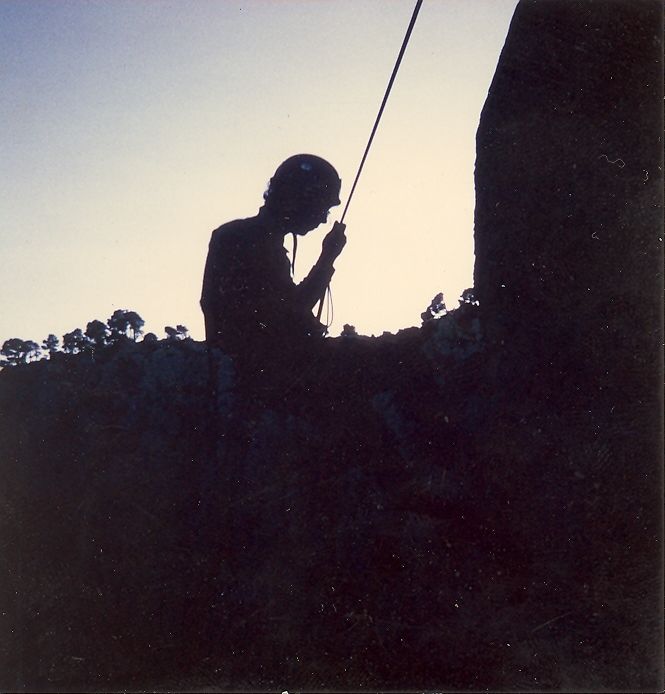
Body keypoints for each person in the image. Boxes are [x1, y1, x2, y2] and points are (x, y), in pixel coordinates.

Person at [200, 154, 347, 364]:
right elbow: (294, 309)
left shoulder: (246, 237)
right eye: (323, 207)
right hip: (255, 371)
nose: (324, 219)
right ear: (301, 199)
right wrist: (327, 258)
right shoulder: (248, 241)